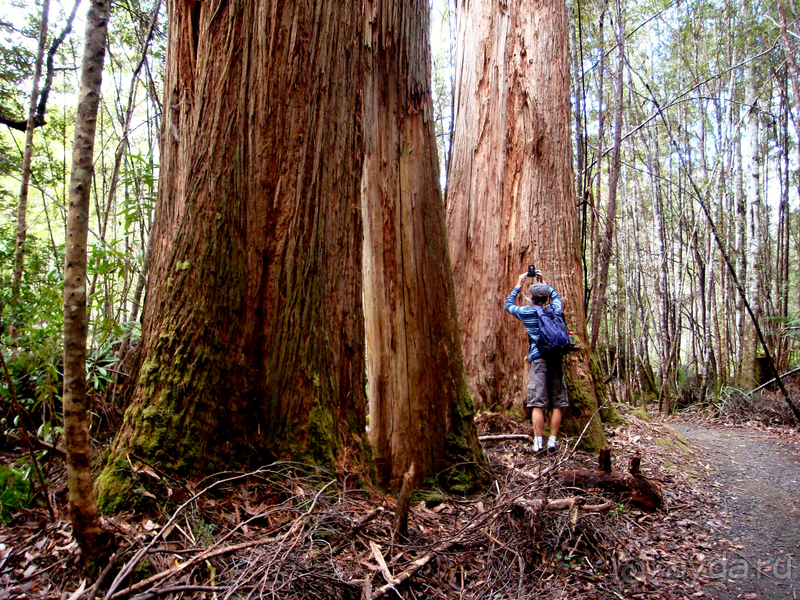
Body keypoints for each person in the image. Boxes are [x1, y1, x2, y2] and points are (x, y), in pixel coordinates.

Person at [504, 270, 568, 454]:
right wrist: (544, 283)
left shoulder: (528, 312)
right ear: (546, 296)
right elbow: (556, 297)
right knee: (557, 402)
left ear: (531, 297)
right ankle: (552, 443)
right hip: (556, 358)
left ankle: (538, 444)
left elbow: (508, 305)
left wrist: (518, 284)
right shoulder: (556, 309)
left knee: (537, 403)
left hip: (538, 358)